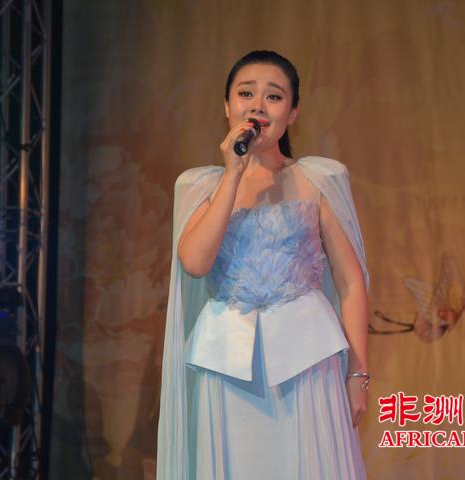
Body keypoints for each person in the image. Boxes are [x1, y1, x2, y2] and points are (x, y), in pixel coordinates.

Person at [157, 50, 370, 479]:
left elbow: (351, 282)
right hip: (227, 365)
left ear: (293, 113)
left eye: (274, 96)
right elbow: (195, 262)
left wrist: (358, 374)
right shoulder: (201, 186)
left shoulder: (317, 179)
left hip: (307, 363)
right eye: (245, 94)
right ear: (227, 107)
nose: (258, 105)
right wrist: (232, 174)